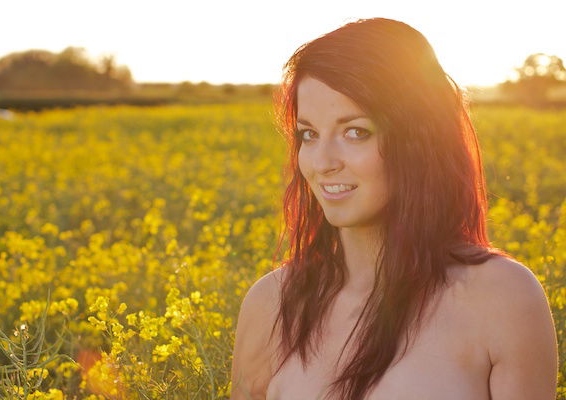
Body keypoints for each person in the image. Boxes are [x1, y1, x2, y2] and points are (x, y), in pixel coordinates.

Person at [230, 17, 558, 400]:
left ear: (419, 140)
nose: (322, 161)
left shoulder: (503, 298)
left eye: (356, 132)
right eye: (309, 134)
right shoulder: (271, 305)